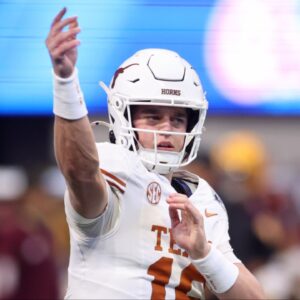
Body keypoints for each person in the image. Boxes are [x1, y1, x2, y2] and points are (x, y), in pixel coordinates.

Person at [45, 7, 265, 299]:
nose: (167, 130)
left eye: (177, 119)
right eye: (152, 117)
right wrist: (66, 83)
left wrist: (204, 253)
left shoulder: (201, 197)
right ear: (125, 118)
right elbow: (79, 171)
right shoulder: (115, 166)